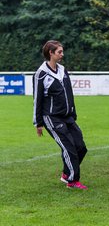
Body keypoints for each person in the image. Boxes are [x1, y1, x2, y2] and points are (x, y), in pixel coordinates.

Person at [33, 40, 88, 190]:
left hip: (67, 116)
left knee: (81, 147)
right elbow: (37, 99)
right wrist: (38, 123)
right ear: (51, 53)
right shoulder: (41, 74)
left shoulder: (63, 70)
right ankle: (72, 181)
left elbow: (69, 93)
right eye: (59, 52)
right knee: (69, 148)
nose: (62, 55)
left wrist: (73, 113)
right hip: (51, 117)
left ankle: (66, 173)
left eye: (62, 51)